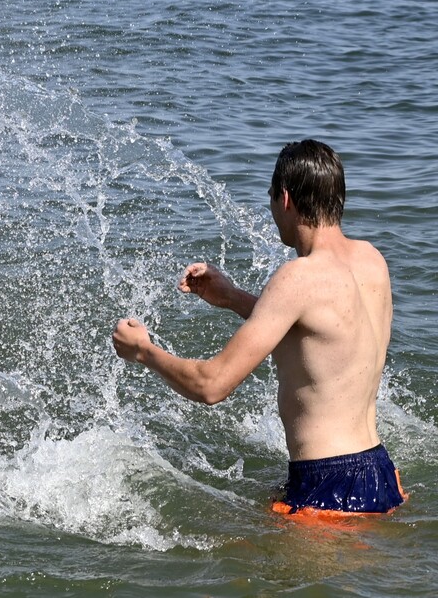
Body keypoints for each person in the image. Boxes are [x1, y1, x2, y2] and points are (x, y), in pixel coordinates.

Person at [111, 140, 405, 517]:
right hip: (377, 473)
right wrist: (232, 297)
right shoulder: (370, 260)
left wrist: (144, 351)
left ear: (284, 198)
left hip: (326, 488)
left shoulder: (298, 277)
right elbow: (325, 334)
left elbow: (211, 385)